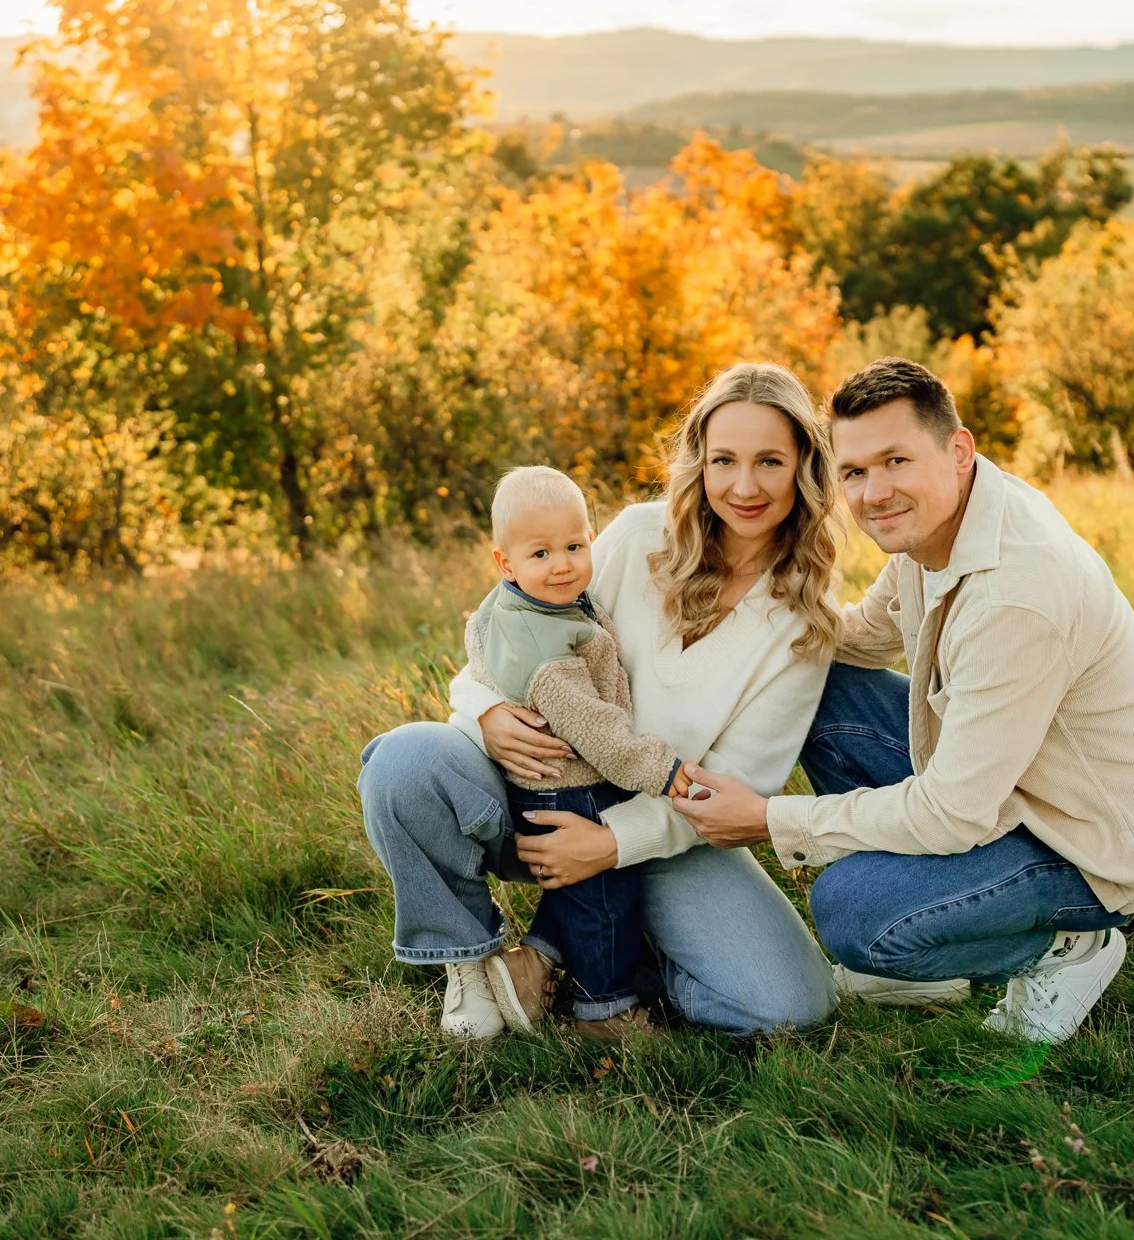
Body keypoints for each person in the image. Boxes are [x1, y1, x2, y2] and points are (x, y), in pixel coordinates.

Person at [675, 357, 1134, 1043]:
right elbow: (857, 640)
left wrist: (769, 820)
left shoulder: (1015, 594)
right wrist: (730, 608)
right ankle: (931, 951)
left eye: (896, 460)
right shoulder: (943, 524)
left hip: (1088, 843)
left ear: (958, 450)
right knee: (818, 683)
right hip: (1009, 788)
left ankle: (1066, 946)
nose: (875, 493)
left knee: (854, 913)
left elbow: (953, 813)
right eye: (854, 472)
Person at [359, 363, 846, 1037]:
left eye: (770, 461)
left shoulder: (804, 619)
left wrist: (612, 844)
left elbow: (737, 786)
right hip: (536, 794)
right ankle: (471, 963)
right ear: (700, 462)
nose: (744, 485)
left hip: (663, 833)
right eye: (724, 459)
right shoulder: (639, 536)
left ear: (804, 468)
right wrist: (484, 712)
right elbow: (513, 633)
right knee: (403, 760)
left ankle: (590, 952)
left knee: (791, 1007)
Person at [454, 465, 690, 1041]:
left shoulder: (525, 604)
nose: (561, 564)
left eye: (574, 547)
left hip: (554, 780)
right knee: (606, 898)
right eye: (540, 553)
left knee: (587, 891)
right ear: (505, 563)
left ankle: (534, 962)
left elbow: (476, 638)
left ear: (591, 539)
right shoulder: (548, 652)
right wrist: (662, 770)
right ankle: (605, 1011)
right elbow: (597, 729)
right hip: (569, 785)